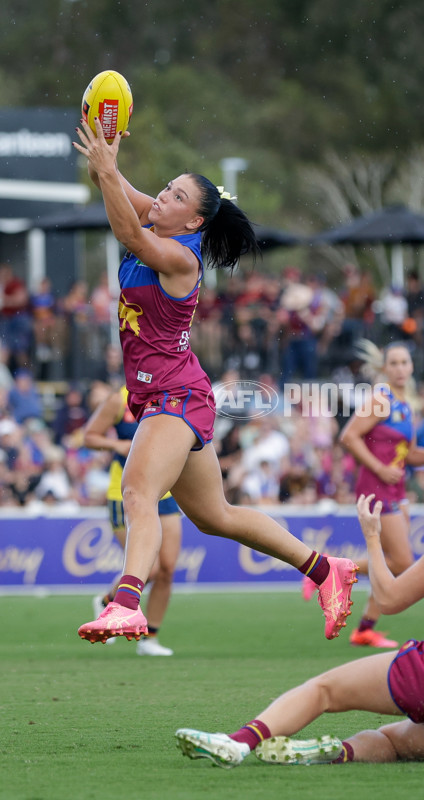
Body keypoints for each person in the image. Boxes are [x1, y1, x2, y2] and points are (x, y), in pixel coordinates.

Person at [73, 118, 357, 644]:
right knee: (215, 516)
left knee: (137, 491)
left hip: (174, 397)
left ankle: (127, 604)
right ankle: (324, 569)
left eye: (175, 194)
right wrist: (104, 157)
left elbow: (126, 231)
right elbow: (113, 189)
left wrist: (109, 173)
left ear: (195, 220)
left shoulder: (180, 257)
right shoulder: (160, 223)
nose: (161, 195)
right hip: (175, 393)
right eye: (165, 186)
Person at [174, 443, 424, 768]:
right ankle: (333, 752)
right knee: (393, 744)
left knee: (324, 691)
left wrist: (372, 536)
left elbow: (390, 599)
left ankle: (239, 743)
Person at [305, 340, 424, 649]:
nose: (401, 368)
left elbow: (410, 454)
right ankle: (324, 568)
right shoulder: (382, 399)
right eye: (394, 363)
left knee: (390, 562)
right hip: (377, 487)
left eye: (405, 362)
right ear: (385, 369)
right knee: (402, 563)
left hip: (395, 488)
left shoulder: (406, 404)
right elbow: (348, 436)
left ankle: (364, 628)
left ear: (412, 367)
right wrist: (379, 467)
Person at [83, 385, 181, 656]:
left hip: (165, 490)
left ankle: (150, 640)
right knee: (149, 567)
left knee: (167, 569)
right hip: (125, 492)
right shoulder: (119, 399)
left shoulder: (174, 394)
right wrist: (117, 445)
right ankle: (107, 602)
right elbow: (88, 437)